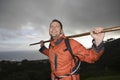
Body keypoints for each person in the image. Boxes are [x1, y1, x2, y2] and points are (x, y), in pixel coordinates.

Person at [39, 19, 105, 80]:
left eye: (57, 26)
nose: (53, 28)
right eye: (51, 26)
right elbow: (51, 54)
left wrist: (98, 41)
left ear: (61, 31)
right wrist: (42, 47)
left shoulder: (70, 43)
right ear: (49, 30)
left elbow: (92, 57)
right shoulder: (51, 45)